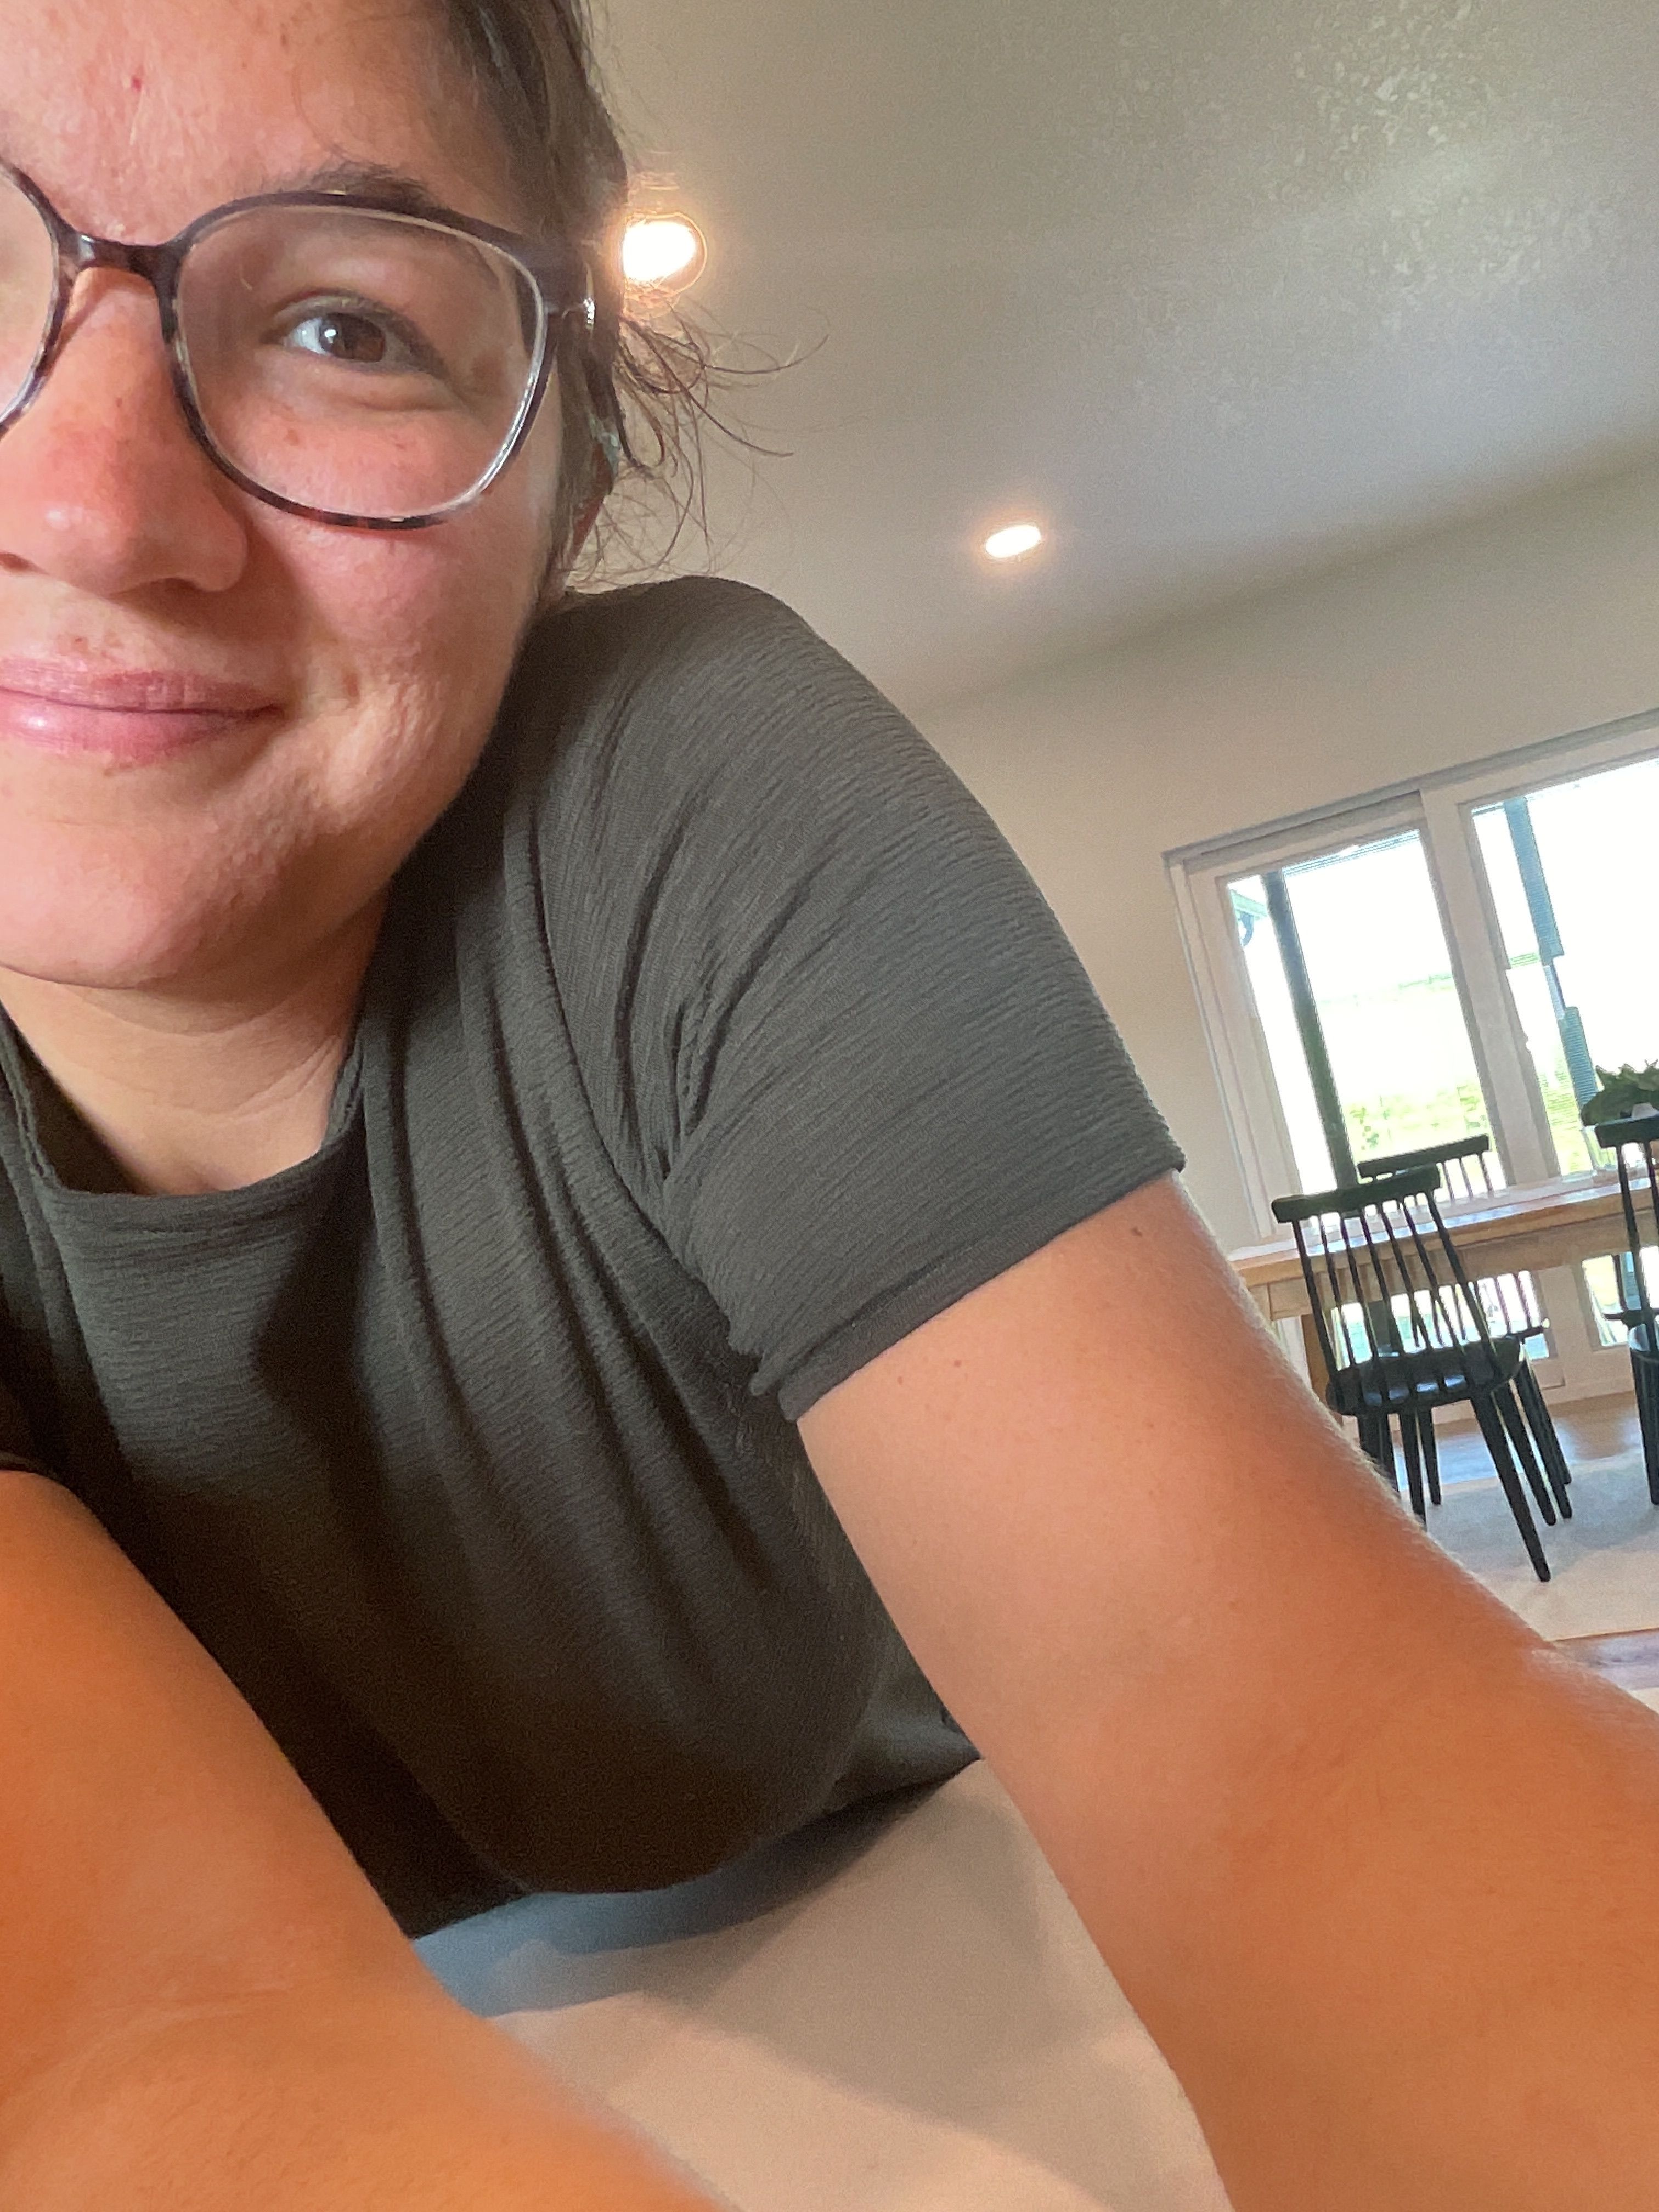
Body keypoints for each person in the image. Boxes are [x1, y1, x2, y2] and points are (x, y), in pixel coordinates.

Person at [2, 1, 1659, 2206]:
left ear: (567, 488)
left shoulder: (685, 799)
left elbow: (1318, 1746)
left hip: (944, 1932)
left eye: (341, 325)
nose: (96, 506)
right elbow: (141, 2032)